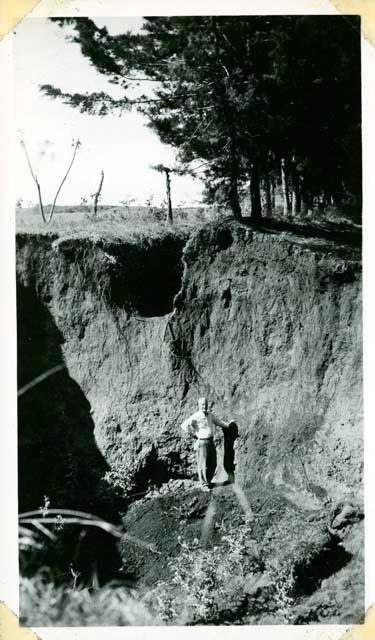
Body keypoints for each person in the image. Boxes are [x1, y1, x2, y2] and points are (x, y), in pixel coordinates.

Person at [180, 397, 235, 492]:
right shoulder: (196, 416)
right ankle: (204, 485)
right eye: (202, 404)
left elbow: (218, 422)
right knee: (202, 464)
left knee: (213, 463)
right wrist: (194, 435)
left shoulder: (210, 415)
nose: (204, 406)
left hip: (210, 441)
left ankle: (208, 481)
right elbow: (184, 425)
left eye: (205, 404)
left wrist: (228, 425)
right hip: (202, 443)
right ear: (199, 406)